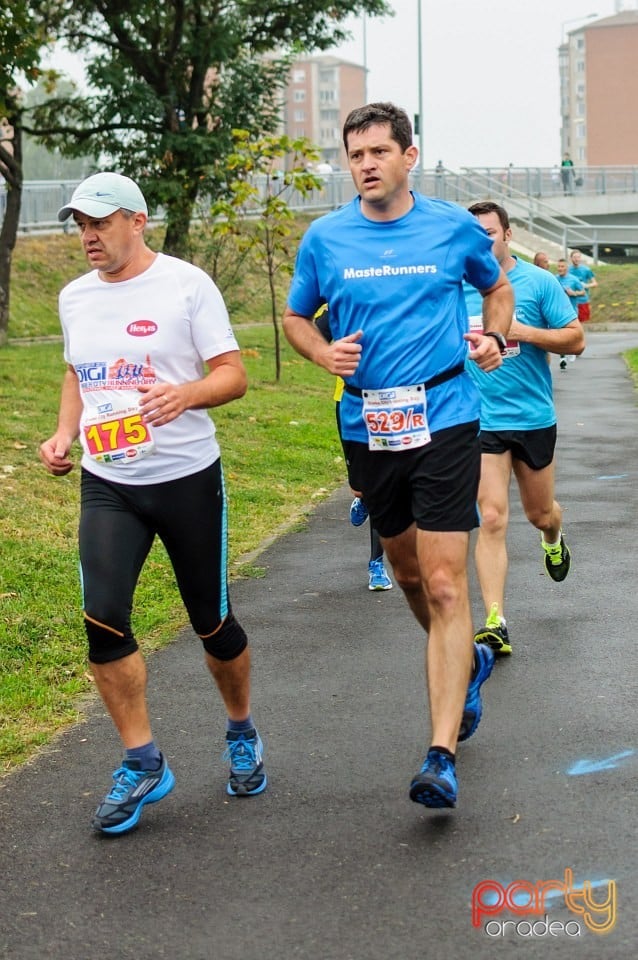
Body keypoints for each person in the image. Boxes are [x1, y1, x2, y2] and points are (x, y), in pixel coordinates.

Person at [283, 102, 514, 810]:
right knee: (410, 574)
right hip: (370, 425)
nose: (367, 164)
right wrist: (322, 349)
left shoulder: (451, 228)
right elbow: (296, 316)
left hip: (445, 416)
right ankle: (466, 660)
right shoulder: (325, 240)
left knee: (447, 586)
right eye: (356, 155)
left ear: (410, 156)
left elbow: (496, 287)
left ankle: (440, 754)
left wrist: (495, 339)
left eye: (380, 151)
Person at [39, 172, 267, 835]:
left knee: (211, 623)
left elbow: (234, 374)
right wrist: (63, 433)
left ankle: (241, 730)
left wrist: (185, 395)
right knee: (102, 620)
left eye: (100, 222)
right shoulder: (74, 297)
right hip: (108, 482)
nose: (88, 235)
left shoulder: (186, 284)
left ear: (137, 221)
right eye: (80, 224)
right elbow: (78, 373)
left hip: (187, 478)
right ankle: (142, 762)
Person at [464, 202, 585, 658]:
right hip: (480, 421)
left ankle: (553, 537)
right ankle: (495, 621)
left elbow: (575, 339)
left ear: (508, 236)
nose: (483, 243)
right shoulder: (455, 286)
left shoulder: (539, 283)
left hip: (533, 417)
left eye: (490, 234)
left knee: (539, 514)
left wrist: (520, 330)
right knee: (490, 517)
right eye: (474, 236)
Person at [314, 303, 393, 591]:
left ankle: (376, 565)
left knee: (380, 487)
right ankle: (361, 496)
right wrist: (327, 354)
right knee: (362, 487)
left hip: (387, 401)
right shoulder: (337, 302)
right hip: (348, 402)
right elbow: (313, 335)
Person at [569, 249, 598, 322]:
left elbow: (595, 283)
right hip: (571, 301)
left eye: (578, 257)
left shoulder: (586, 269)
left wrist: (586, 285)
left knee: (584, 322)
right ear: (571, 258)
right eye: (574, 257)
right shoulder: (568, 270)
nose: (576, 259)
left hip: (583, 300)